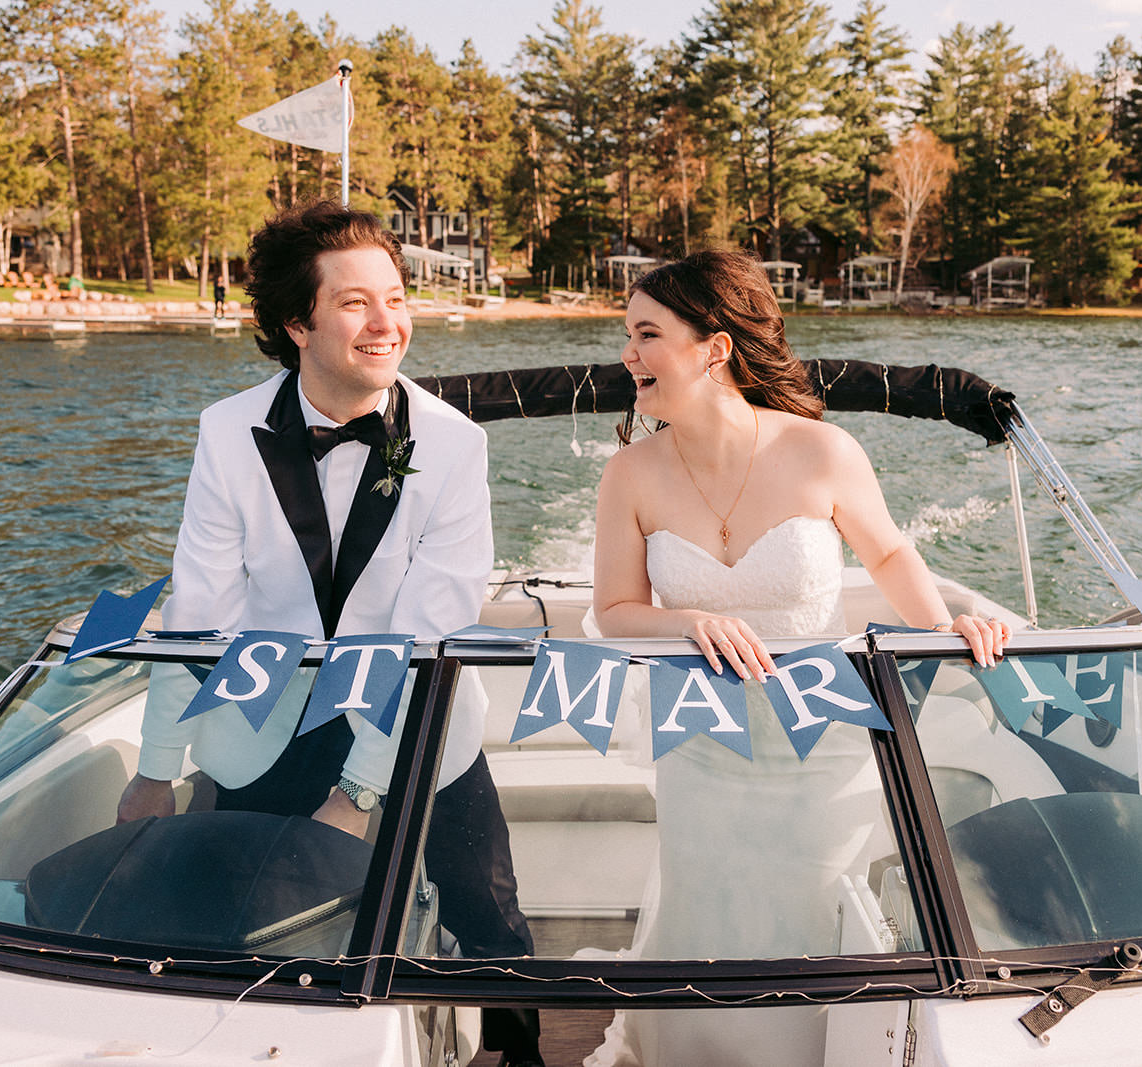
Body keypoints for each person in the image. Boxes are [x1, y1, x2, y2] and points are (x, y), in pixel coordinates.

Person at [116, 201, 543, 1067]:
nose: (387, 324)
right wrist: (157, 767)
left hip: (416, 720)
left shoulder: (453, 446)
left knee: (488, 911)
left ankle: (522, 1054)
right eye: (355, 303)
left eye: (395, 296)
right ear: (295, 323)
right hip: (264, 717)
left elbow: (430, 631)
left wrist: (358, 794)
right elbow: (196, 610)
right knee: (243, 916)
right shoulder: (227, 432)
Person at [588, 250, 1009, 1066]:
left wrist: (943, 629)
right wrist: (689, 621)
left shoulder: (824, 451)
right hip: (703, 744)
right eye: (627, 336)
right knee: (708, 911)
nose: (628, 355)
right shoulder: (628, 474)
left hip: (825, 742)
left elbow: (888, 557)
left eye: (646, 335)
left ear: (714, 349)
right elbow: (613, 611)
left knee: (818, 910)